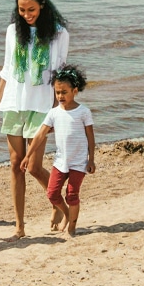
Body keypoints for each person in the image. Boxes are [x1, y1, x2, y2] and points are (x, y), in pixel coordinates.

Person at [0, 0, 70, 241]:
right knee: (15, 165)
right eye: (21, 10)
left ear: (42, 5)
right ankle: (20, 227)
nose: (26, 14)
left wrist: (59, 108)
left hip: (42, 105)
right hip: (14, 103)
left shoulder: (58, 33)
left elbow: (60, 72)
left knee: (33, 166)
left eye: (31, 9)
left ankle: (59, 204)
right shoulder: (13, 31)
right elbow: (8, 69)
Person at [20, 65, 95, 237]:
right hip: (61, 161)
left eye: (64, 92)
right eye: (57, 92)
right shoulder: (53, 113)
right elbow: (40, 135)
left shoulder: (83, 112)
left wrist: (91, 159)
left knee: (72, 194)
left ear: (74, 91)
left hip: (79, 161)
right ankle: (66, 214)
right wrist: (27, 156)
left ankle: (72, 228)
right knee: (52, 193)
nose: (60, 96)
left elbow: (90, 137)